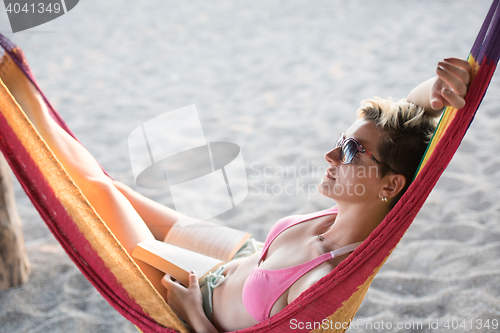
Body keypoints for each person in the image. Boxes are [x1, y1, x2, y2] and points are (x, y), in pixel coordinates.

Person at [0, 49, 471, 332]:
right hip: (237, 256)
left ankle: (10, 84)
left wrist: (193, 314)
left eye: (350, 152)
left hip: (196, 297)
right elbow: (407, 132)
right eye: (339, 141)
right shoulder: (367, 204)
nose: (331, 156)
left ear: (389, 184)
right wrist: (435, 92)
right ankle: (14, 84)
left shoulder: (322, 286)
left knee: (92, 192)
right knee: (112, 186)